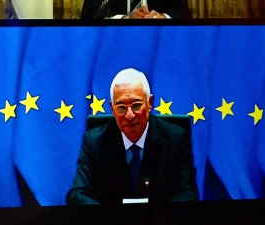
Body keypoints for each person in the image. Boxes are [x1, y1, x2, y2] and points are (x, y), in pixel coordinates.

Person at [66, 68, 198, 204]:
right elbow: (77, 194)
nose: (129, 115)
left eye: (136, 105)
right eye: (121, 107)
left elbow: (187, 193)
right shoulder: (94, 142)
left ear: (150, 103)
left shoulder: (175, 139)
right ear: (112, 108)